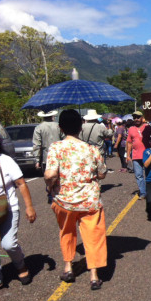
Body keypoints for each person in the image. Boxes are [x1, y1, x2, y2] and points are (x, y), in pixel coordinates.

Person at [45, 109, 108, 290]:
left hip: (64, 201)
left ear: (60, 127)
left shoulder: (56, 147)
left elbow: (50, 174)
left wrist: (50, 185)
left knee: (67, 232)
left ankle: (68, 267)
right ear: (81, 127)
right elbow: (102, 174)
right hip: (89, 201)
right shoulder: (92, 149)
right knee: (94, 237)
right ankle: (94, 276)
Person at [0, 125, 36, 296]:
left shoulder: (5, 160)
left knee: (8, 244)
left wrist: (29, 207)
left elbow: (21, 184)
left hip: (8, 208)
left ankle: (20, 265)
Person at [33, 110, 62, 203]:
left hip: (47, 157)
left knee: (49, 177)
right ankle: (59, 193)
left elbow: (37, 145)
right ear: (52, 116)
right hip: (60, 156)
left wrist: (37, 160)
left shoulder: (39, 128)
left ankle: (50, 193)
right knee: (60, 176)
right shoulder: (58, 126)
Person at [126, 111, 151, 199]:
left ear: (142, 118)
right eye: (135, 117)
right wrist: (128, 155)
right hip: (136, 156)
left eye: (138, 117)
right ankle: (143, 193)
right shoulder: (131, 129)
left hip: (148, 155)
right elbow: (129, 142)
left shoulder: (148, 127)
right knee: (138, 175)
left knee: (149, 175)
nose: (136, 119)